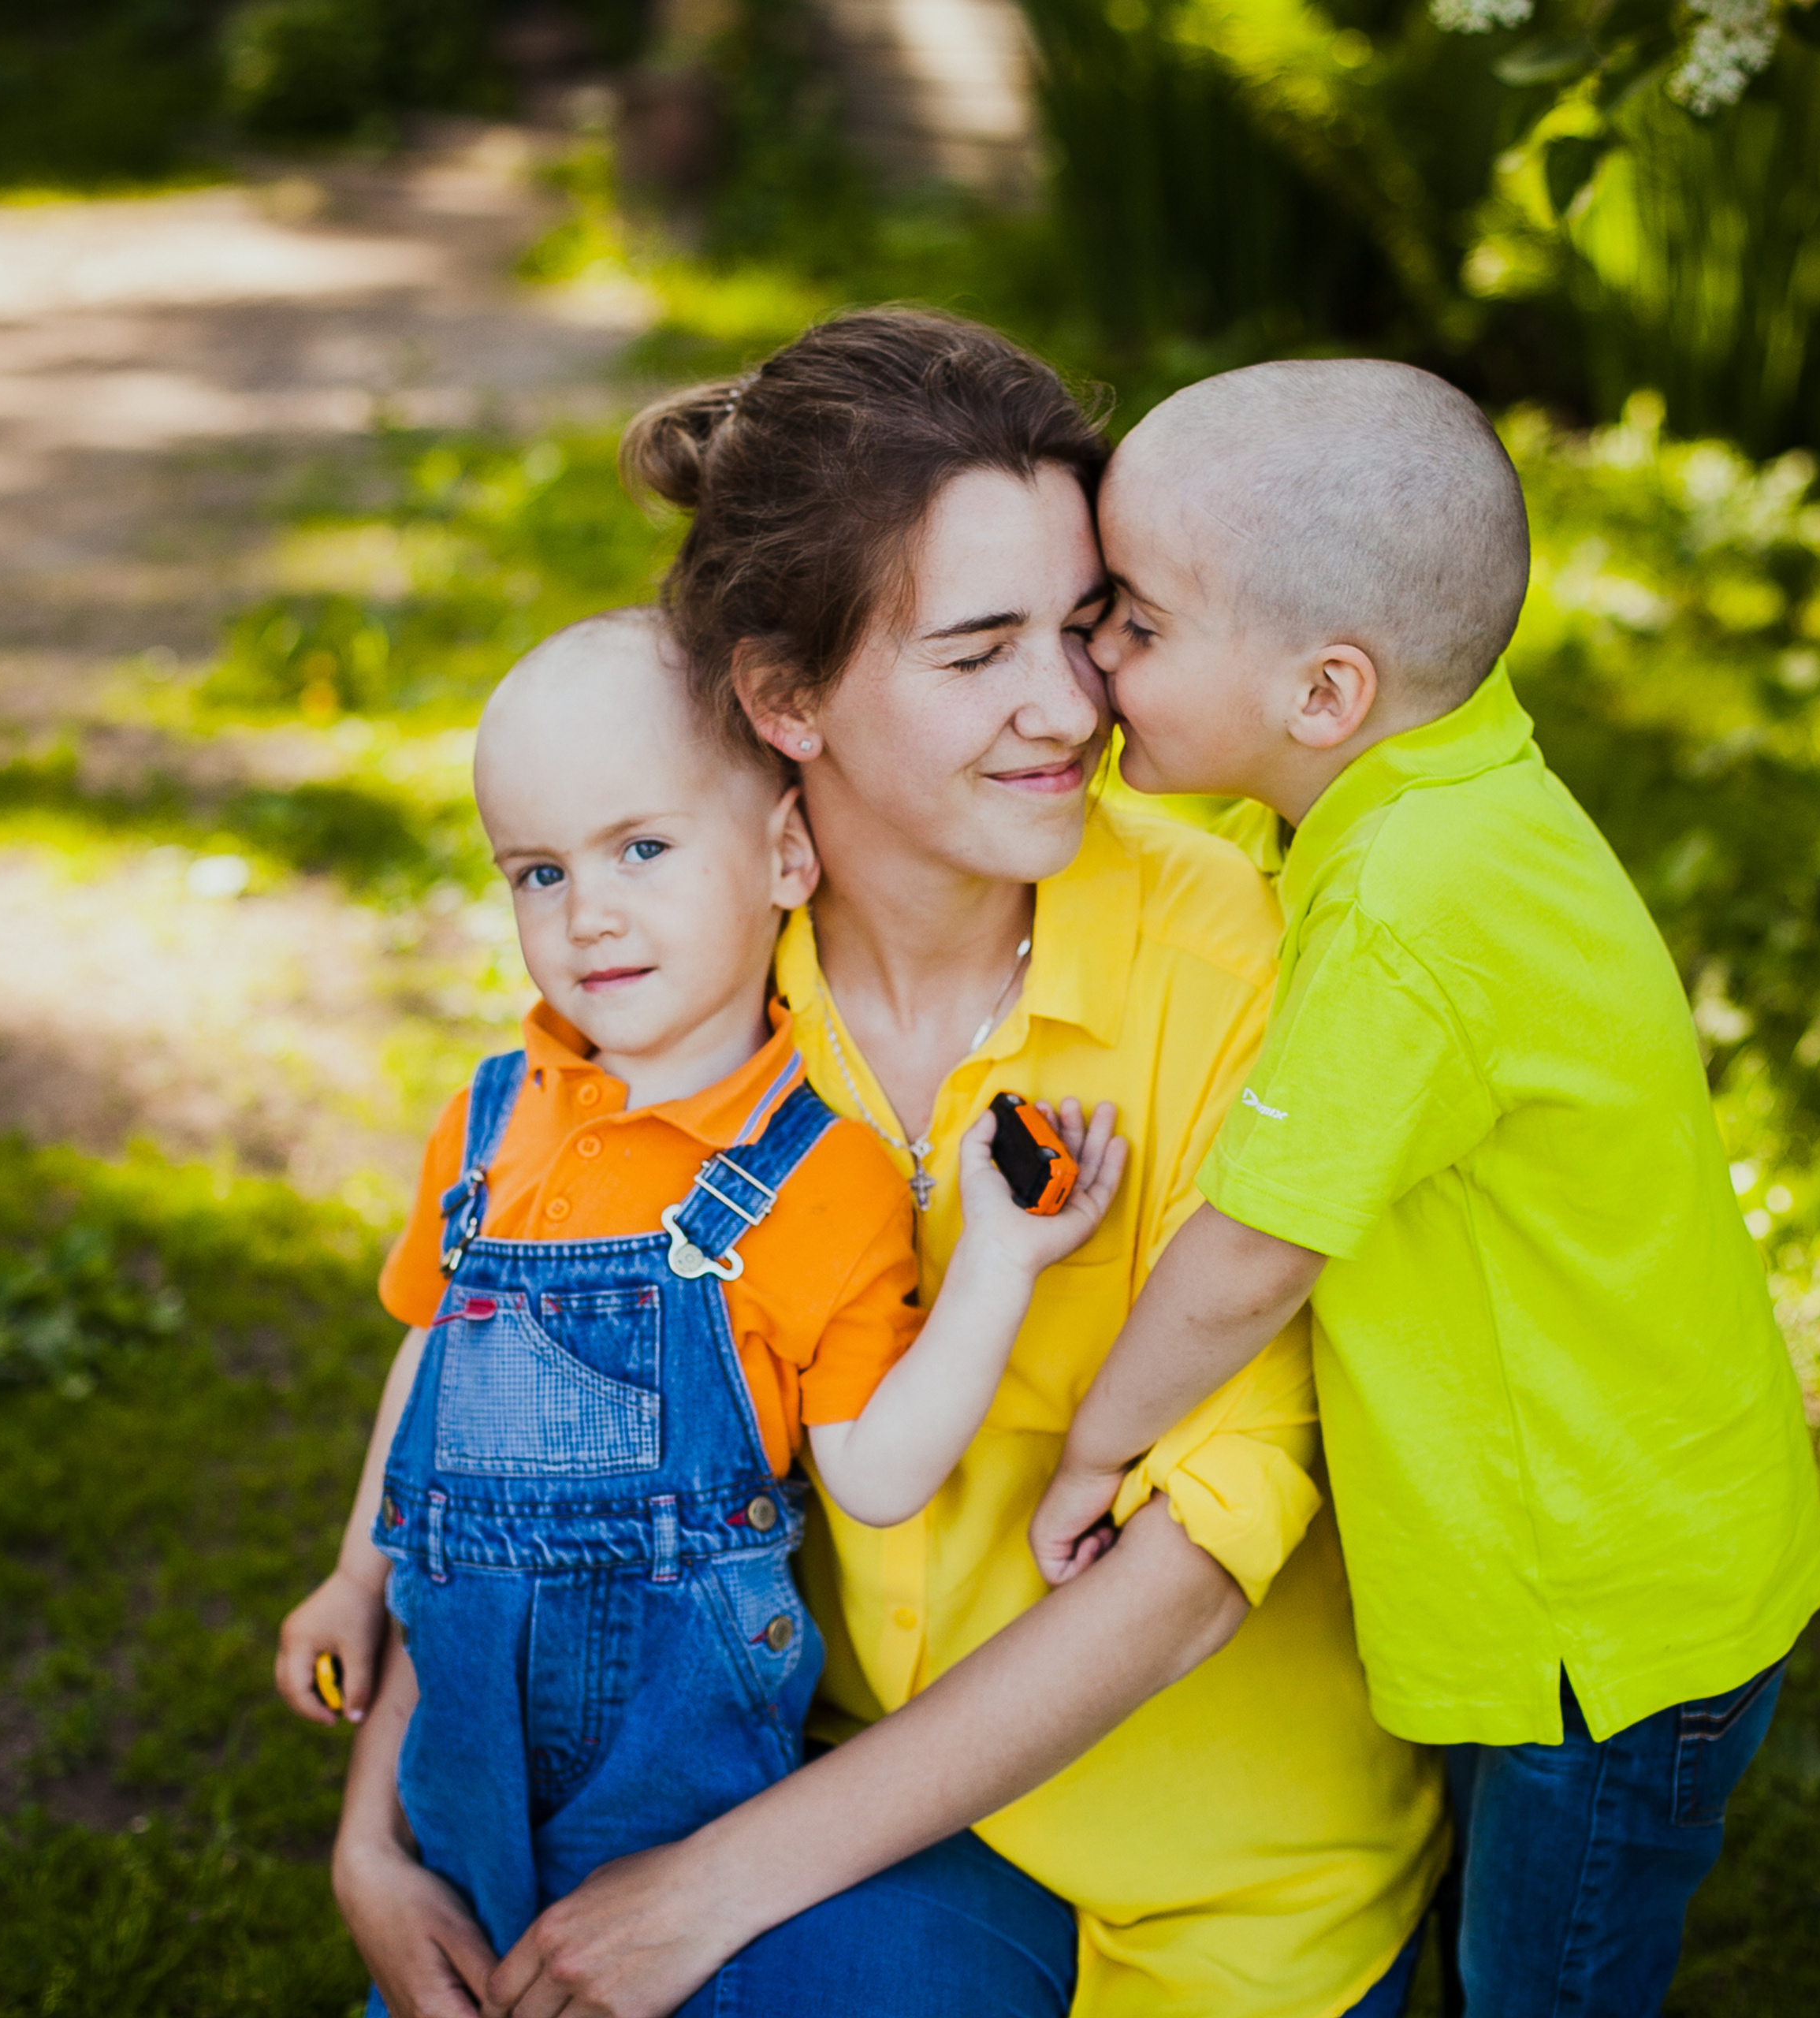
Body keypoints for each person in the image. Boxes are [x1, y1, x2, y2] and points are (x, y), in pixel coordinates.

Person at [328, 311, 1448, 2018]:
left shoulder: (1232, 952)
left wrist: (707, 1888)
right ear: (786, 697)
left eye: (1082, 629)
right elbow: (506, 1422)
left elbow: (1200, 1555)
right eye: (975, 649)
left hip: (1214, 1889)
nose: (1065, 705)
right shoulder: (683, 970)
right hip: (842, 1790)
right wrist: (373, 1834)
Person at [1032, 358, 1820, 2015]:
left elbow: (1250, 1251)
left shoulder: (1407, 911)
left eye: (1134, 624)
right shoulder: (1425, 790)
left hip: (1598, 1629)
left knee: (1536, 1980)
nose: (1093, 662)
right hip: (1617, 1542)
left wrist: (1096, 1443)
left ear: (1323, 689)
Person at [274, 607, 1126, 1990]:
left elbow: (883, 1472)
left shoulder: (815, 1181)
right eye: (538, 873)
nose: (587, 913)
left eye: (643, 850)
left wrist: (1001, 1264)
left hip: (682, 1785)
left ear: (787, 855)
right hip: (461, 1759)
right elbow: (436, 1363)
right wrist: (357, 1570)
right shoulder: (491, 1124)